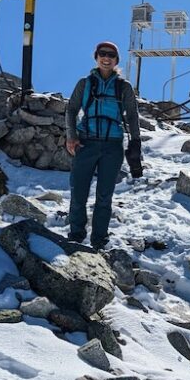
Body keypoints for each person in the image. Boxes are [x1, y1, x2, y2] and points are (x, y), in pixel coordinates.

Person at [64, 41, 142, 248]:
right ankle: (76, 234)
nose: (106, 58)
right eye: (102, 54)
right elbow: (71, 109)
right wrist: (71, 136)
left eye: (111, 55)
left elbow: (133, 116)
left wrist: (136, 142)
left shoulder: (123, 87)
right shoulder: (85, 83)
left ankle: (99, 239)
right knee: (78, 191)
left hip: (113, 145)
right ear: (96, 57)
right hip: (86, 142)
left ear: (116, 60)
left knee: (104, 195)